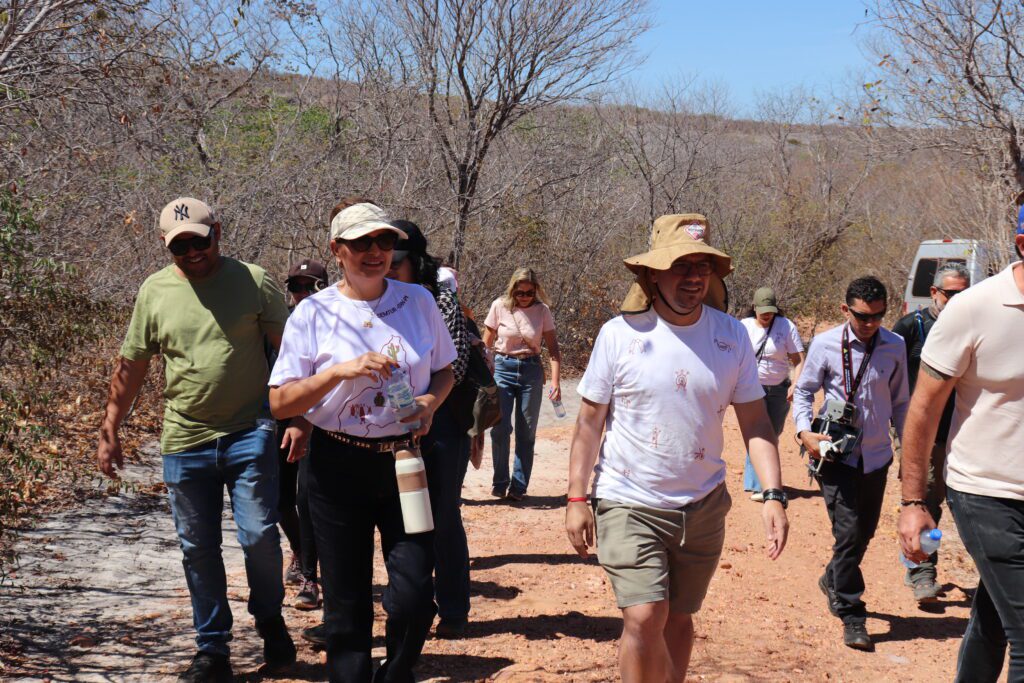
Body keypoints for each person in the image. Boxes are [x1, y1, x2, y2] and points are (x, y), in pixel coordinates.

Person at [565, 214, 789, 683]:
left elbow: (755, 422)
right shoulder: (620, 335)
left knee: (680, 618)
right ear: (651, 274)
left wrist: (773, 494)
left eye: (702, 267)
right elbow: (589, 423)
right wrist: (576, 498)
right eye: (680, 265)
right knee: (645, 617)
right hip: (629, 499)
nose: (693, 277)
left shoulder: (731, 337)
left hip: (702, 504)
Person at [96, 197, 296, 682]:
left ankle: (268, 614)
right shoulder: (155, 291)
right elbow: (133, 365)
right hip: (185, 437)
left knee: (258, 536)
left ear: (217, 234)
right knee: (197, 547)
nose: (191, 253)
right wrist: (110, 429)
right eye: (179, 247)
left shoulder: (254, 280)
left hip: (251, 429)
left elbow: (290, 352)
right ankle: (213, 649)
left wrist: (298, 417)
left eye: (198, 242)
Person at [268, 201, 456, 683]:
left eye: (385, 242)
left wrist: (430, 405)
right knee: (347, 601)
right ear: (337, 250)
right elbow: (280, 401)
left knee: (414, 594)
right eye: (361, 243)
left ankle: (395, 672)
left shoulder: (418, 302)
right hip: (336, 465)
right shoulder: (312, 313)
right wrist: (340, 371)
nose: (375, 252)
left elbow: (444, 371)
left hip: (407, 463)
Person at [898, 218, 1024, 682]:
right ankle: (920, 570)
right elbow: (922, 409)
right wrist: (913, 503)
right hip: (983, 488)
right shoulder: (971, 310)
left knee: (995, 619)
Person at [792, 275, 910, 651]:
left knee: (865, 532)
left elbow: (902, 402)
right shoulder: (826, 344)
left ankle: (833, 577)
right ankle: (851, 611)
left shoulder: (895, 346)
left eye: (878, 316)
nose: (870, 324)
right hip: (835, 455)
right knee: (847, 532)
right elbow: (805, 390)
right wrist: (803, 431)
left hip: (876, 455)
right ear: (846, 310)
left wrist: (908, 449)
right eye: (862, 317)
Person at [387, 219, 474, 639]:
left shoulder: (438, 298)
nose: (387, 266)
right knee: (397, 518)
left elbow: (453, 364)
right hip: (389, 424)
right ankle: (408, 607)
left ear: (416, 261)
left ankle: (454, 608)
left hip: (441, 422)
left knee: (441, 513)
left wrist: (423, 402)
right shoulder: (374, 300)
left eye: (397, 260)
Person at [890, 264, 969, 603]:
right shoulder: (911, 327)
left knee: (968, 506)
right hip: (927, 436)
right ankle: (922, 570)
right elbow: (889, 376)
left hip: (966, 433)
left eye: (964, 293)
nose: (958, 300)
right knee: (928, 503)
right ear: (934, 293)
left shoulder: (974, 326)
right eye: (951, 293)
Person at [483, 268, 561, 501]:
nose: (524, 296)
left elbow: (554, 349)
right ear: (512, 290)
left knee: (526, 431)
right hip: (503, 369)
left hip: (531, 371)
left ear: (536, 290)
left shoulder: (542, 311)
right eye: (520, 292)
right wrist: (485, 376)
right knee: (500, 428)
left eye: (529, 292)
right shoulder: (499, 306)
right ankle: (500, 482)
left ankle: (519, 486)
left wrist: (555, 382)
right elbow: (486, 344)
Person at [278, 259, 329, 612]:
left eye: (309, 286)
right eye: (296, 286)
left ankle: (310, 577)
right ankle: (298, 548)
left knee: (307, 499)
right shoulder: (280, 319)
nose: (301, 293)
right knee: (279, 496)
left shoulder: (335, 321)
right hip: (280, 418)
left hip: (318, 420)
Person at [739, 287, 806, 500]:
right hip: (752, 388)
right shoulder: (744, 326)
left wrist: (795, 384)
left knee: (773, 433)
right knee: (757, 433)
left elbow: (799, 360)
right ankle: (760, 486)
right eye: (763, 311)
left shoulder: (786, 327)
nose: (768, 315)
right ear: (754, 308)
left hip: (778, 388)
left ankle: (759, 481)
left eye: (771, 311)